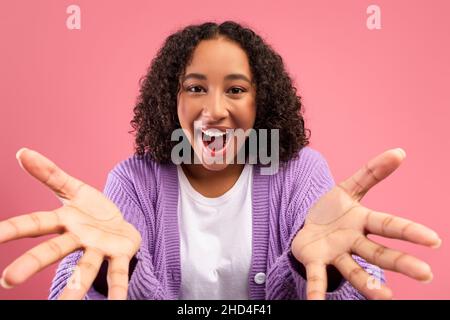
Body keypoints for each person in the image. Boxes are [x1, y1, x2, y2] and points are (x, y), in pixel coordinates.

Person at [0, 21, 441, 300]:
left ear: (260, 102)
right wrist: (114, 274)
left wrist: (319, 269)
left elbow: (365, 293)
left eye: (235, 89)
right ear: (168, 102)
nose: (214, 109)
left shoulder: (299, 172)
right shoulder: (134, 180)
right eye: (195, 88)